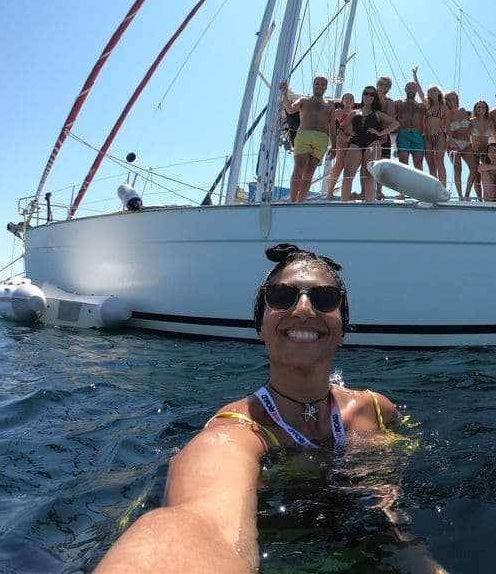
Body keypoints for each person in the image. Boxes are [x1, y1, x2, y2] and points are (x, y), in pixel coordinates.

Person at [95, 244, 401, 574]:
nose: (302, 309)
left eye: (324, 298)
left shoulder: (377, 410)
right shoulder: (234, 434)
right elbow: (203, 522)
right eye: (282, 296)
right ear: (260, 327)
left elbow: (394, 510)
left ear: (342, 329)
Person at [280, 76, 336, 203]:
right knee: (299, 168)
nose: (320, 86)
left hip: (322, 139)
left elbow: (332, 126)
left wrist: (334, 146)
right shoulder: (303, 100)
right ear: (313, 85)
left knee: (310, 172)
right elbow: (290, 109)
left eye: (322, 84)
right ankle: (292, 201)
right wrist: (284, 93)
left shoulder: (330, 106)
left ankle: (300, 201)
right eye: (317, 84)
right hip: (304, 135)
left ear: (326, 87)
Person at [340, 86, 399, 202]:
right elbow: (340, 129)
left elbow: (395, 123)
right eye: (366, 93)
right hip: (355, 142)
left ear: (374, 98)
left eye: (372, 94)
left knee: (369, 174)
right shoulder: (353, 113)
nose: (368, 96)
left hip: (373, 142)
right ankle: (344, 201)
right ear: (362, 95)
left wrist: (381, 132)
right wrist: (345, 138)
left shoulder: (378, 114)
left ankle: (369, 203)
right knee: (347, 172)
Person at [412, 67, 448, 187]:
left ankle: (443, 187)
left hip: (439, 136)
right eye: (430, 91)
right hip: (426, 136)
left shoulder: (443, 107)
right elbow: (419, 90)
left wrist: (451, 138)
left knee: (440, 162)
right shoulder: (426, 105)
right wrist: (414, 75)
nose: (432, 92)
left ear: (438, 92)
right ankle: (434, 188)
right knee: (431, 164)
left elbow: (448, 123)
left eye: (434, 91)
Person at [444, 91, 478, 201]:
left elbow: (471, 126)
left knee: (474, 167)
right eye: (449, 100)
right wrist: (450, 141)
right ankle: (460, 195)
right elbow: (448, 129)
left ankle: (467, 194)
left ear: (457, 99)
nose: (451, 101)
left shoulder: (463, 111)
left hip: (466, 142)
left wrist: (469, 129)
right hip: (453, 142)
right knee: (457, 168)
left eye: (453, 99)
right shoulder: (446, 113)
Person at [324, 93, 355, 200]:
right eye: (347, 98)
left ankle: (346, 192)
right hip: (342, 138)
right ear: (342, 101)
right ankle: (329, 192)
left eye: (351, 98)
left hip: (353, 139)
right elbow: (329, 124)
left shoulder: (356, 113)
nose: (349, 100)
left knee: (350, 164)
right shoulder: (339, 112)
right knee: (339, 163)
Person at [374, 76, 398, 199]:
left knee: (381, 163)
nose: (382, 86)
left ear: (388, 88)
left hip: (384, 134)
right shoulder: (370, 98)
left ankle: (378, 190)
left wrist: (383, 133)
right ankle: (366, 189)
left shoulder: (390, 102)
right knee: (368, 161)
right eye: (380, 84)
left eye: (385, 85)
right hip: (369, 134)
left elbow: (390, 119)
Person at [395, 81, 426, 173]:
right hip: (403, 134)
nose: (411, 90)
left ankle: (419, 187)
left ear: (416, 90)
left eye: (413, 88)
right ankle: (403, 187)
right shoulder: (399, 103)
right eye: (408, 88)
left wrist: (415, 77)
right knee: (403, 164)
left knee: (419, 164)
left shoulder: (422, 106)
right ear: (405, 89)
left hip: (417, 135)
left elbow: (424, 96)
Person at [469, 99, 496, 199]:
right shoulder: (471, 122)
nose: (480, 109)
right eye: (478, 107)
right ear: (475, 109)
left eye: (483, 107)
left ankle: (488, 197)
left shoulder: (490, 121)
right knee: (476, 176)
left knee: (487, 174)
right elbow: (464, 135)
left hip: (485, 152)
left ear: (486, 109)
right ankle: (479, 198)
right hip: (474, 152)